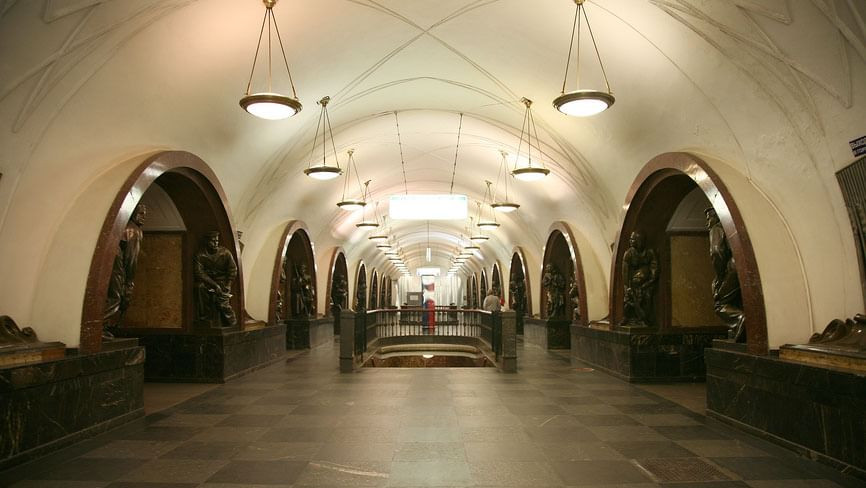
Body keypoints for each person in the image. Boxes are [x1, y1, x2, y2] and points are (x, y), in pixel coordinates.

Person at [103, 204, 147, 338]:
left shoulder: (121, 226)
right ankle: (98, 327)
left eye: (145, 214)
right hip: (117, 266)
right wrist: (129, 283)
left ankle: (102, 327)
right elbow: (131, 259)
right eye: (140, 213)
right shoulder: (134, 230)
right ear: (132, 213)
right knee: (115, 297)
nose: (143, 217)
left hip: (109, 263)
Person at [194, 231, 238, 328]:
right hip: (209, 282)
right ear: (206, 242)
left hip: (223, 282)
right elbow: (199, 273)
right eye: (212, 241)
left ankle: (232, 321)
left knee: (222, 302)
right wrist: (214, 285)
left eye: (217, 241)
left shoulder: (225, 253)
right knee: (199, 287)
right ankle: (205, 318)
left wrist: (228, 284)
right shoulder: (201, 255)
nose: (215, 243)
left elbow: (233, 269)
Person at [621, 230, 658, 326]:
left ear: (640, 240)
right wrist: (627, 288)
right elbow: (625, 273)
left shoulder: (650, 253)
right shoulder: (628, 254)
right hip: (633, 283)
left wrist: (647, 283)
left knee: (647, 297)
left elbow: (654, 269)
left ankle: (644, 319)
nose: (630, 241)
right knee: (629, 299)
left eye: (633, 239)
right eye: (630, 239)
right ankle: (627, 317)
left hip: (647, 283)